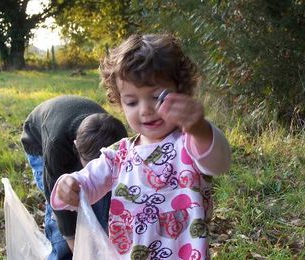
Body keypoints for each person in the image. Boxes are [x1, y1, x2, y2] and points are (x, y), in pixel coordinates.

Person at [51, 34, 232, 259]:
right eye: (132, 102)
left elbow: (219, 162)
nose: (145, 109)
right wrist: (70, 184)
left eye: (158, 97)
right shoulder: (118, 156)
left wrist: (199, 127)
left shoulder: (189, 142)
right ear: (119, 101)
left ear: (181, 91)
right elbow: (88, 182)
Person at [21, 95, 128, 260]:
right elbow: (57, 204)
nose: (93, 171)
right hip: (38, 141)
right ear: (76, 146)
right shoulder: (56, 145)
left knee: (99, 200)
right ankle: (59, 254)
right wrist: (78, 251)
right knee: (62, 205)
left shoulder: (118, 141)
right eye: (88, 166)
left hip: (73, 124)